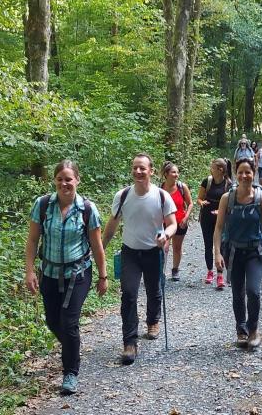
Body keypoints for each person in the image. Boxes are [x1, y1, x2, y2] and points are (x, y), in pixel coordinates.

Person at [25, 160, 108, 395]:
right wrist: (30, 270)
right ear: (54, 180)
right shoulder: (42, 205)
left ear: (77, 181)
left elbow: (97, 244)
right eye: (60, 179)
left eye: (69, 179)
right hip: (49, 274)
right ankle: (72, 347)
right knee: (53, 321)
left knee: (69, 323)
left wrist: (103, 276)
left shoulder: (87, 209)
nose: (64, 183)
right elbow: (32, 241)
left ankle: (70, 372)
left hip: (77, 274)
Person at [102, 153, 177, 365]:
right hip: (130, 253)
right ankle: (129, 342)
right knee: (128, 294)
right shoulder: (123, 196)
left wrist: (166, 235)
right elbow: (111, 226)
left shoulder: (162, 196)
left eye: (142, 168)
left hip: (154, 251)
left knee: (154, 290)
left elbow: (172, 224)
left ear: (151, 171)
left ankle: (153, 320)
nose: (138, 171)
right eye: (135, 167)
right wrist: (100, 248)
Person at [213, 158, 262, 349]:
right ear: (235, 173)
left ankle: (254, 330)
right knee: (237, 293)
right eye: (240, 172)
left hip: (255, 252)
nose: (244, 176)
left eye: (247, 172)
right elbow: (218, 229)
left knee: (253, 291)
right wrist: (217, 253)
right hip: (233, 251)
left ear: (254, 172)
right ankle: (241, 331)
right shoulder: (227, 198)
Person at [196, 158, 232, 289]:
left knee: (221, 245)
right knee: (208, 244)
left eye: (212, 167)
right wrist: (202, 203)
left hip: (221, 217)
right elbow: (199, 199)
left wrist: (222, 211)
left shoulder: (229, 184)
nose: (210, 169)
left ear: (220, 170)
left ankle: (220, 274)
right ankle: (210, 271)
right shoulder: (207, 181)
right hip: (206, 216)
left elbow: (231, 204)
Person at [160, 161, 193, 281]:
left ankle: (175, 270)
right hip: (164, 223)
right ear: (166, 174)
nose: (176, 174)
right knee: (164, 247)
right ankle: (160, 271)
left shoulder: (181, 187)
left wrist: (186, 217)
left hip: (180, 222)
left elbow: (190, 203)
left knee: (177, 247)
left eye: (177, 172)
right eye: (173, 172)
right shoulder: (160, 188)